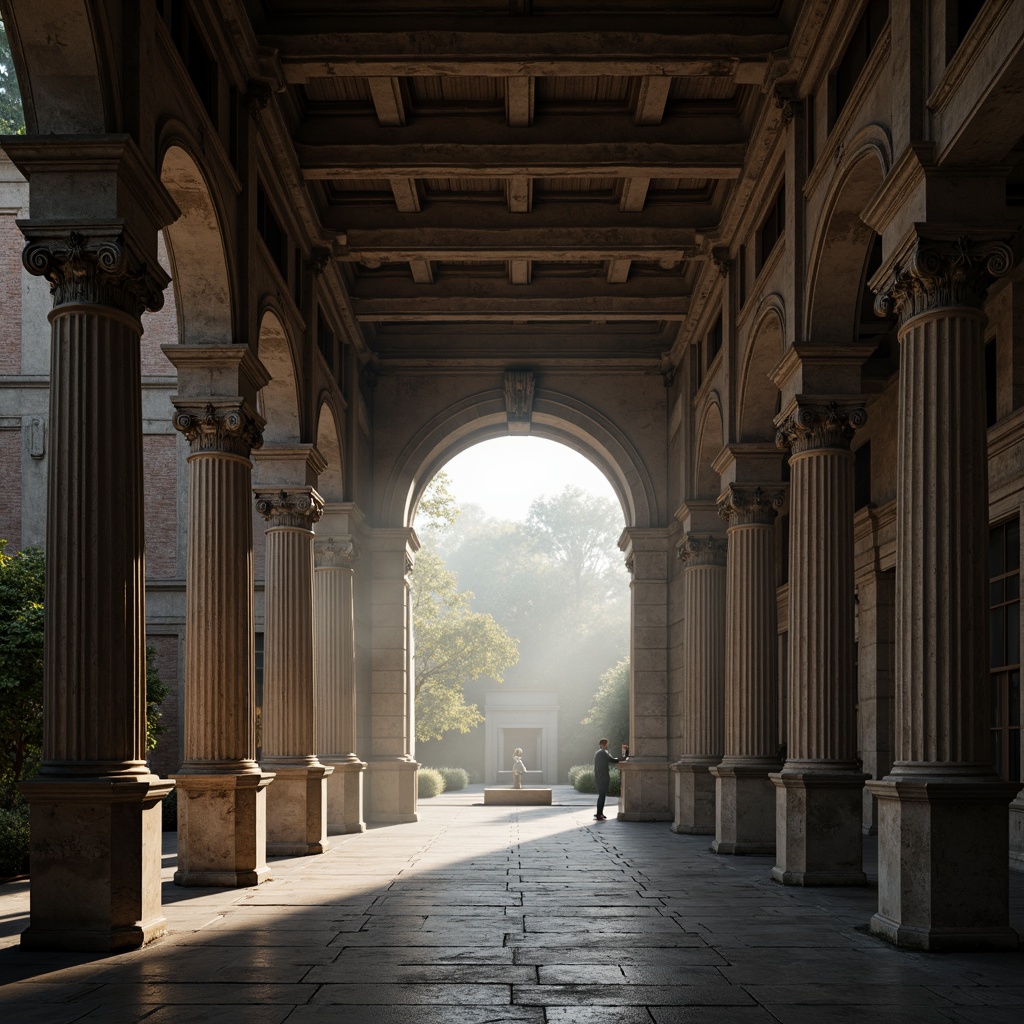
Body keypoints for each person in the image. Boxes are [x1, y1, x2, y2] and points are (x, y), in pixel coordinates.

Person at [593, 738, 626, 819]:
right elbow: (612, 760)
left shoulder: (601, 752)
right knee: (602, 795)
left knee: (602, 795)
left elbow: (612, 759)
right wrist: (623, 758)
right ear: (601, 745)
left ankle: (599, 813)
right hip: (602, 776)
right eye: (605, 744)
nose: (606, 745)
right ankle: (599, 814)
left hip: (601, 776)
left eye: (606, 744)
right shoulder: (602, 753)